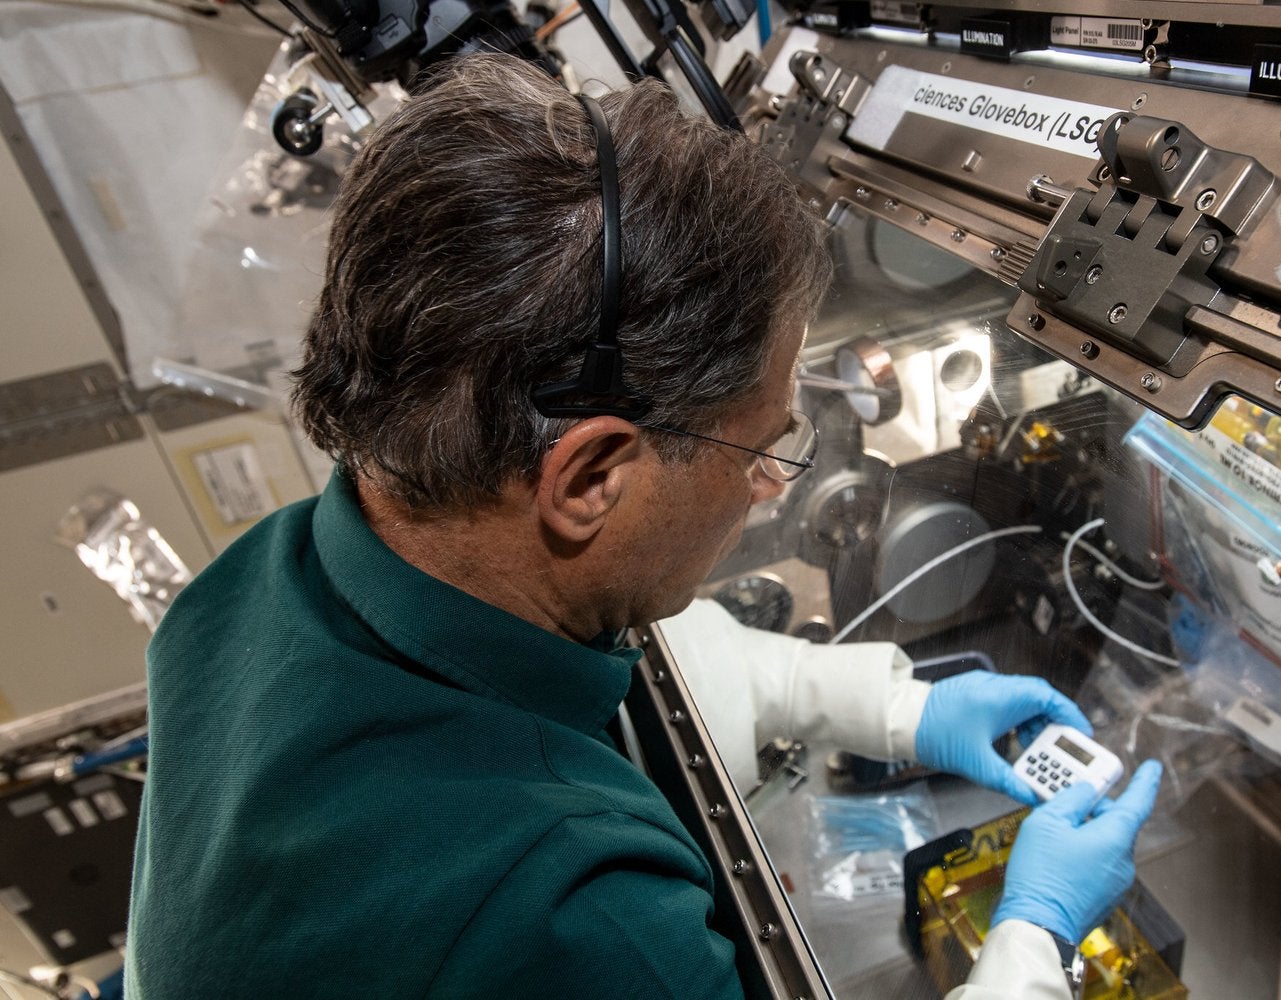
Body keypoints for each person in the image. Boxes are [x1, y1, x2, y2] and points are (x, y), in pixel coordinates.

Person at [125, 51, 1160, 998]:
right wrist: (1030, 934)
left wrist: (881, 706)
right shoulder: (582, 919)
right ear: (587, 480)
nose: (769, 489)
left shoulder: (256, 584)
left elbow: (602, 670)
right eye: (759, 448)